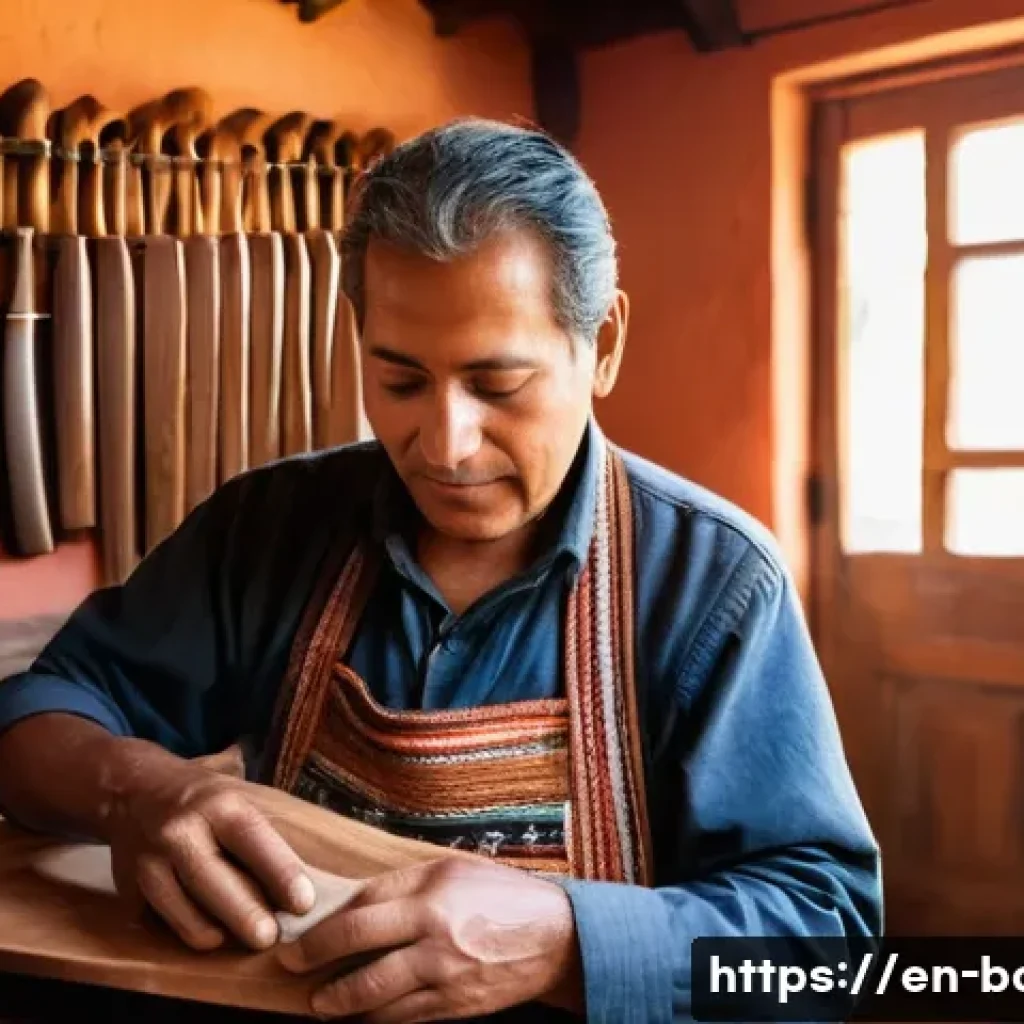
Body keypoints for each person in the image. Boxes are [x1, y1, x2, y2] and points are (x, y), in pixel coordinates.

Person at [0, 117, 881, 1022]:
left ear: (604, 342)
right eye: (400, 380)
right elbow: (36, 714)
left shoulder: (711, 583)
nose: (445, 445)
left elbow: (825, 937)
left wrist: (570, 943)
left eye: (498, 386)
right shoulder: (267, 530)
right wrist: (137, 789)